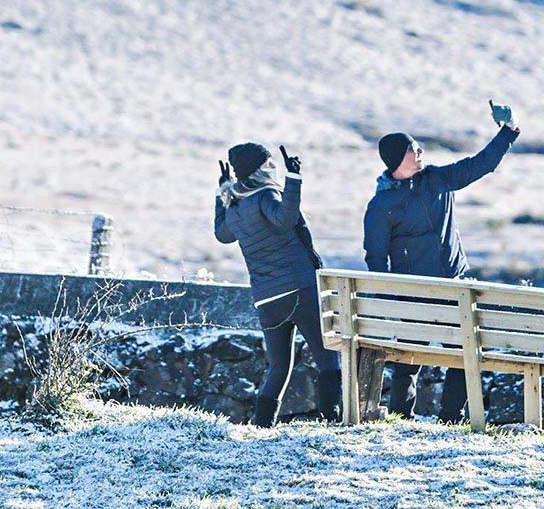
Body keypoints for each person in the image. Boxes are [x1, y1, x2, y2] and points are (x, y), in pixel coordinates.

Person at [363, 100, 520, 421]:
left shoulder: (436, 179)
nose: (421, 152)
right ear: (397, 158)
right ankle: (400, 416)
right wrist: (387, 299)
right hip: (413, 292)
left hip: (455, 285)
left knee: (463, 353)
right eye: (413, 149)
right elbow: (376, 257)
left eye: (419, 147)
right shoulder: (381, 205)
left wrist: (509, 131)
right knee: (408, 359)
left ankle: (451, 416)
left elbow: (480, 165)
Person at [214, 141, 340, 427]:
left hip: (267, 299)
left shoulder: (235, 205)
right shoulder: (267, 194)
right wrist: (294, 180)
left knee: (279, 367)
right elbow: (285, 219)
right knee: (327, 358)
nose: (273, 166)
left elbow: (222, 234)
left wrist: (222, 192)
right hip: (299, 289)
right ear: (256, 170)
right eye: (268, 162)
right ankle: (332, 420)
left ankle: (262, 424)